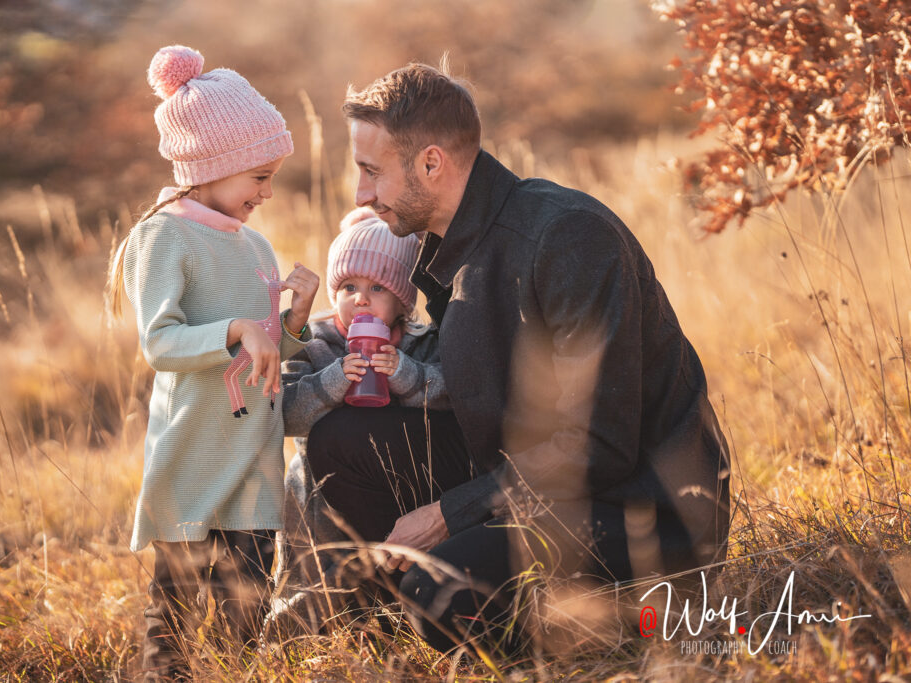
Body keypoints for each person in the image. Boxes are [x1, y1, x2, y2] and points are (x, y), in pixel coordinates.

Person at [316, 62, 733, 655]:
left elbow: (600, 447)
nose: (361, 195)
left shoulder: (567, 237)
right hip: (524, 471)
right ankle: (392, 626)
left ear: (431, 163)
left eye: (371, 172)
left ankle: (629, 629)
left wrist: (447, 514)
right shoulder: (445, 244)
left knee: (441, 595)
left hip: (639, 508)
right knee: (342, 440)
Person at [106, 45, 319, 679]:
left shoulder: (254, 243)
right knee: (174, 607)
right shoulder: (164, 235)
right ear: (211, 165)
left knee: (246, 605)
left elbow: (263, 350)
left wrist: (293, 324)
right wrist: (232, 329)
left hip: (253, 461)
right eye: (259, 176)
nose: (268, 192)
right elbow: (161, 343)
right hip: (194, 456)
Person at [274, 207, 473, 605]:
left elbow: (455, 396)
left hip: (395, 485)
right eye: (348, 286)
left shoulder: (422, 342)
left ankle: (387, 603)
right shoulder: (315, 341)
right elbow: (284, 414)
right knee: (314, 562)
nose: (360, 298)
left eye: (377, 288)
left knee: (382, 573)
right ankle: (302, 611)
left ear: (402, 303)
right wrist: (333, 380)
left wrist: (406, 373)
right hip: (322, 494)